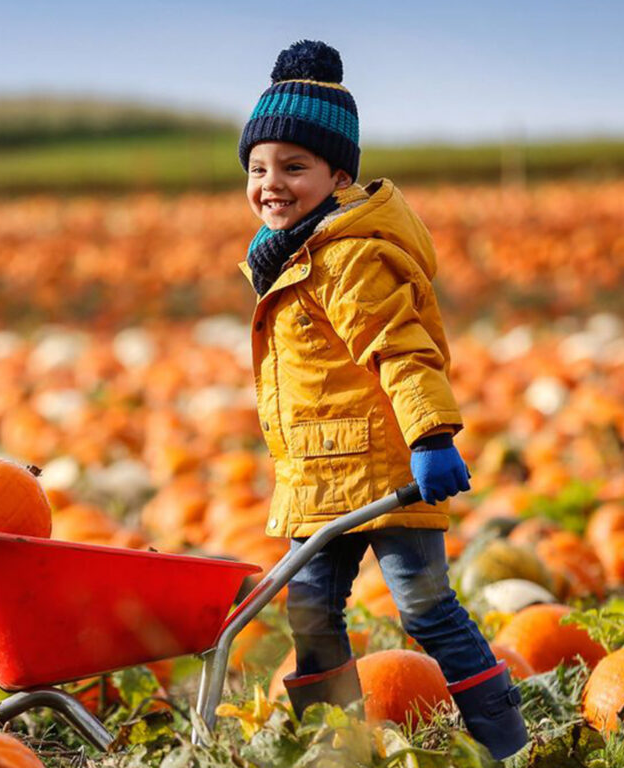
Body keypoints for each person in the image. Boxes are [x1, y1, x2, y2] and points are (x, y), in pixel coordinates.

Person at [237, 40, 529, 760]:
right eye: (259, 168)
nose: (272, 183)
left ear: (339, 176)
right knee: (309, 615)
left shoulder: (350, 257)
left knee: (426, 609)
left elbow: (401, 348)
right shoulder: (294, 255)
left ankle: (507, 745)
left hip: (390, 471)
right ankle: (337, 747)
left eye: (294, 168)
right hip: (320, 476)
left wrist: (431, 437)